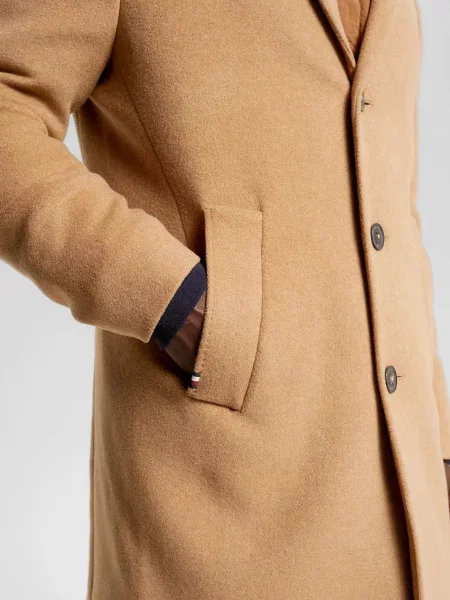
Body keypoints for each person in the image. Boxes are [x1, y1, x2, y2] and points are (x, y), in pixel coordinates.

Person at [0, 1, 449, 598]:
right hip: (220, 503)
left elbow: (393, 217)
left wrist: (438, 440)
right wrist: (171, 300)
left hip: (409, 505)